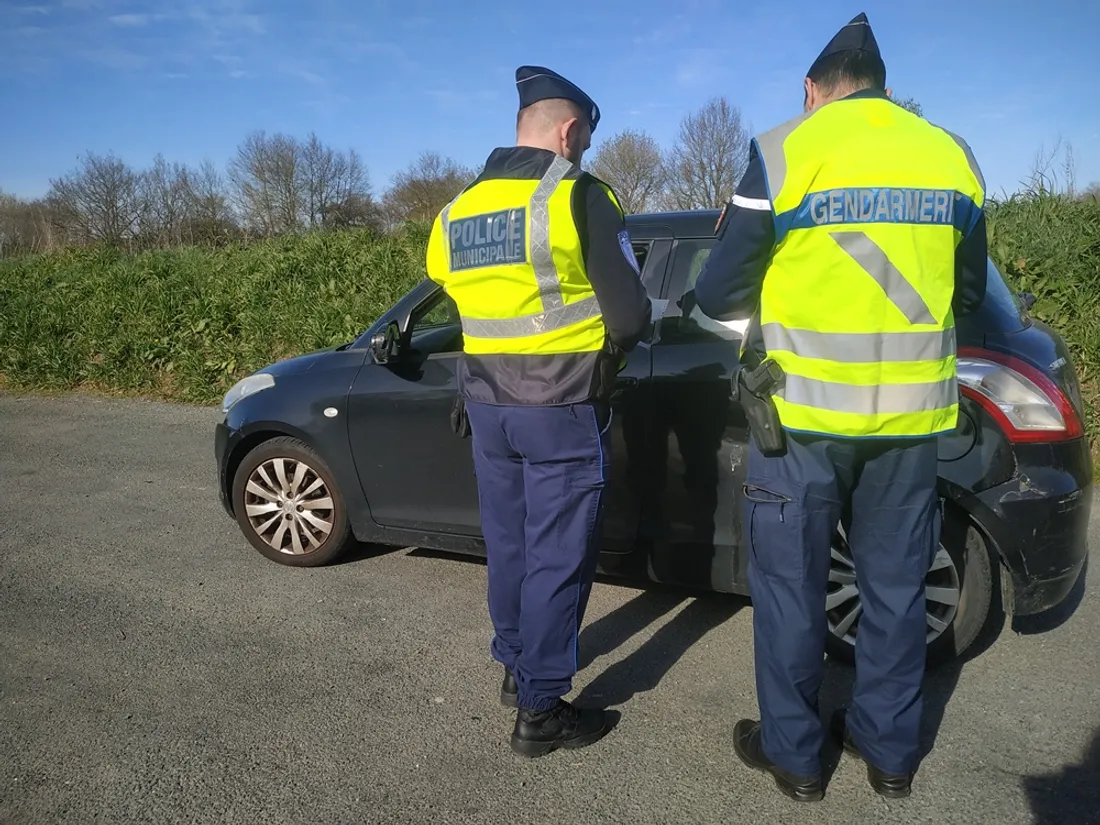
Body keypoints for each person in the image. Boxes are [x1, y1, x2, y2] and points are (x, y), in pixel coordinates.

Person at [693, 12, 988, 802]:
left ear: (812, 90)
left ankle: (795, 758)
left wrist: (762, 332)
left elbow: (717, 294)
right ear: (886, 88)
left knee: (791, 589)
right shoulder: (950, 156)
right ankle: (890, 754)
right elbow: (966, 295)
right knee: (893, 590)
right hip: (909, 425)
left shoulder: (785, 149)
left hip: (802, 425)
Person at [425, 65, 652, 758]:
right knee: (558, 556)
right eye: (582, 137)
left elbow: (453, 291)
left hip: (487, 407)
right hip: (558, 404)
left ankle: (513, 666)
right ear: (569, 129)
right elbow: (632, 314)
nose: (581, 149)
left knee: (513, 545)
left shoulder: (457, 210)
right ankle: (542, 708)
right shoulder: (578, 194)